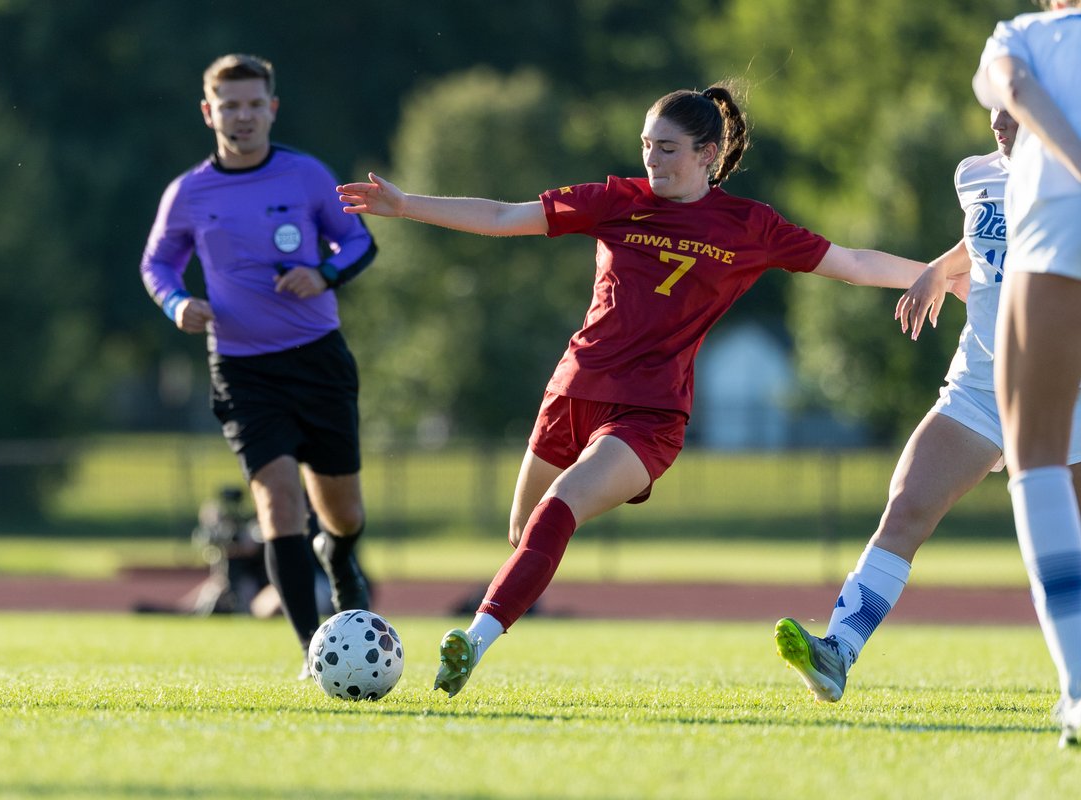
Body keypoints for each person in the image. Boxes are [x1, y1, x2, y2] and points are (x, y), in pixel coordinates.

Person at [338, 83, 961, 698]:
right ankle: (493, 617)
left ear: (708, 154)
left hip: (649, 413)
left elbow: (852, 263)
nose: (652, 161)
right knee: (525, 530)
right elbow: (505, 216)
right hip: (572, 392)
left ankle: (470, 643)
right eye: (646, 146)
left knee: (558, 508)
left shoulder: (750, 225)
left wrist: (939, 275)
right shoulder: (616, 200)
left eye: (667, 148)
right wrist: (406, 204)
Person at [773, 104, 1081, 712]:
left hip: (1068, 388)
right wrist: (937, 272)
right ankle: (838, 651)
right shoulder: (975, 173)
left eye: (1013, 109)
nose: (998, 118)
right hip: (979, 384)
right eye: (993, 104)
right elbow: (982, 237)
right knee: (907, 504)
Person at [140, 53, 377, 679]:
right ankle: (312, 653)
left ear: (270, 108)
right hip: (243, 370)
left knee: (343, 513)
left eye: (253, 105)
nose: (241, 116)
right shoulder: (188, 193)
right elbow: (156, 265)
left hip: (317, 359)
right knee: (277, 503)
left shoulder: (304, 177)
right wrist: (176, 303)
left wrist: (322, 273)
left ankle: (342, 554)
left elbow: (359, 241)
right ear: (208, 111)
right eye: (229, 106)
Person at [973, 0, 1081, 747]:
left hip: (1074, 205)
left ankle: (1080, 688)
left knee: (1034, 457)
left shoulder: (1025, 33)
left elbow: (1017, 90)